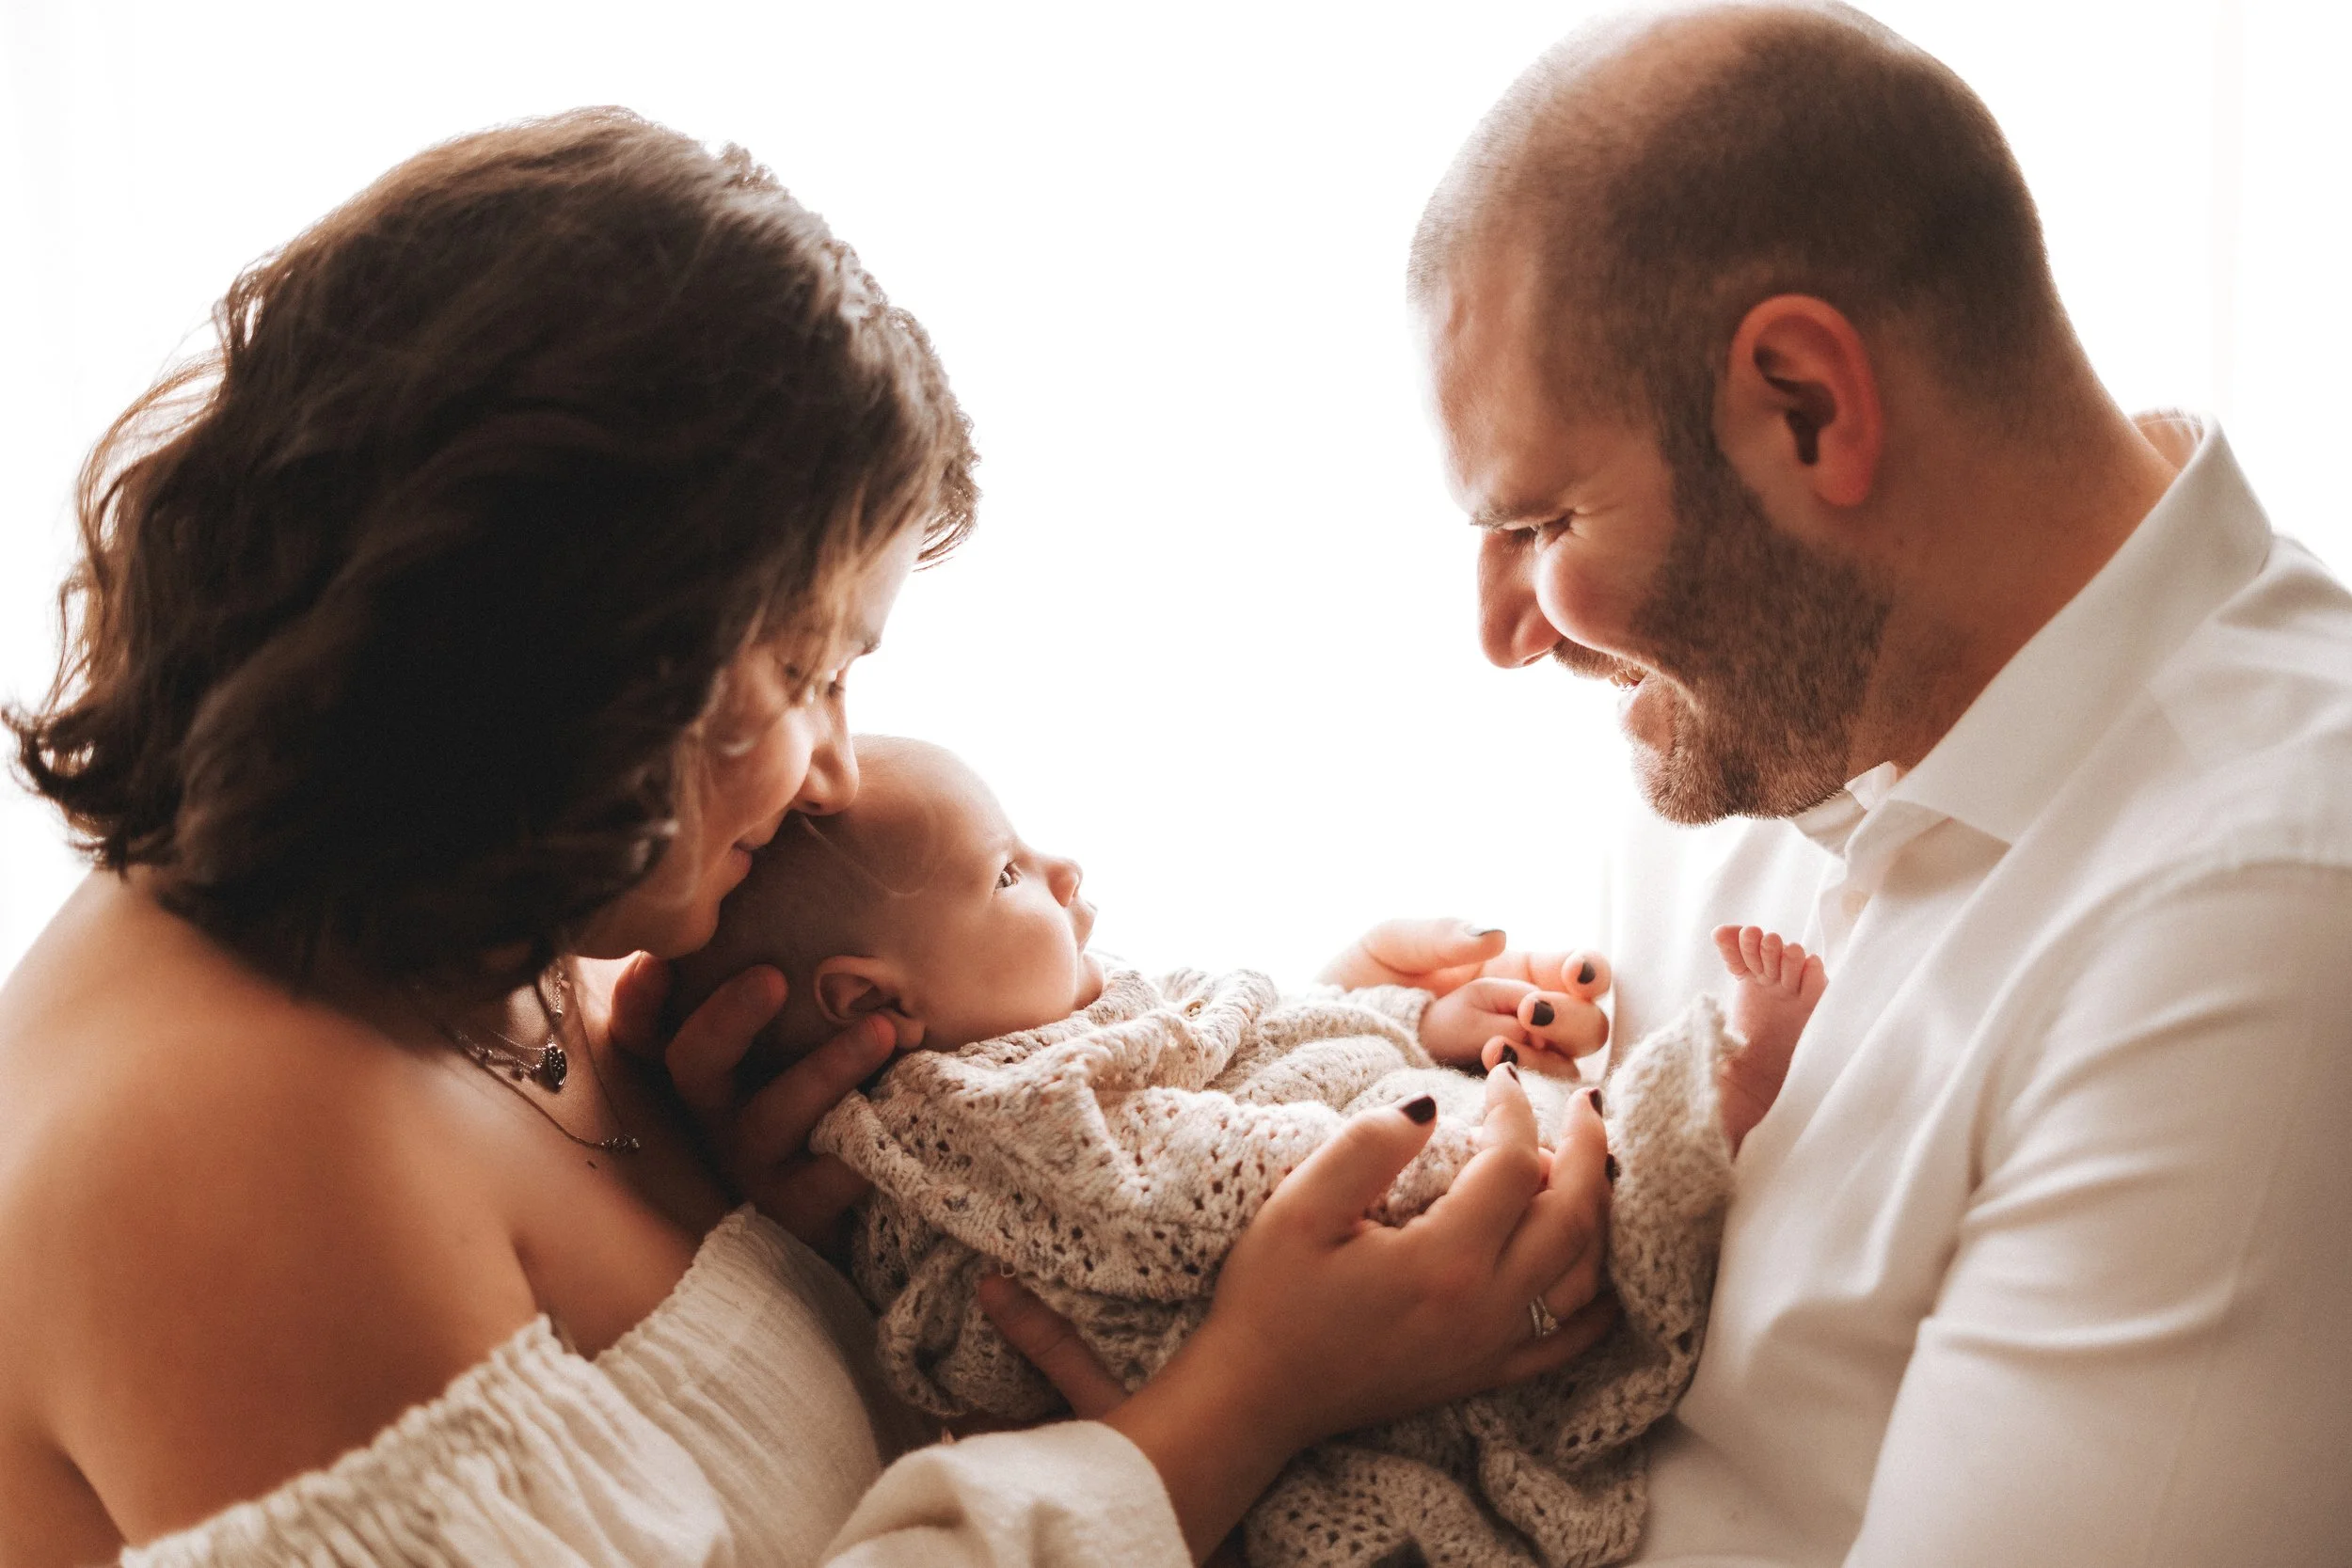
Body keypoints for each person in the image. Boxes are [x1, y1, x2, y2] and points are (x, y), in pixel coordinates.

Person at [0, 109, 1619, 1567]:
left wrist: (839, 1206)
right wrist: (1250, 1394)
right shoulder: (236, 1156)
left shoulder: (501, 944)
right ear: (566, 645)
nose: (832, 765)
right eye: (806, 670)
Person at [1407, 4, 2352, 1564]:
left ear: (1806, 408)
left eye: (1545, 520)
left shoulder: (2263, 920)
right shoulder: (1763, 723)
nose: (1507, 634)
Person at [678, 735, 1822, 1568]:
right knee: (1526, 1214)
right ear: (877, 999)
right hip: (1267, 1307)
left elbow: (1243, 1035)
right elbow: (1173, 1200)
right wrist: (1449, 1151)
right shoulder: (978, 1113)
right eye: (1008, 873)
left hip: (1270, 1300)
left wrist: (1393, 1023)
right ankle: (1681, 1123)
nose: (1063, 868)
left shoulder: (1063, 1013)